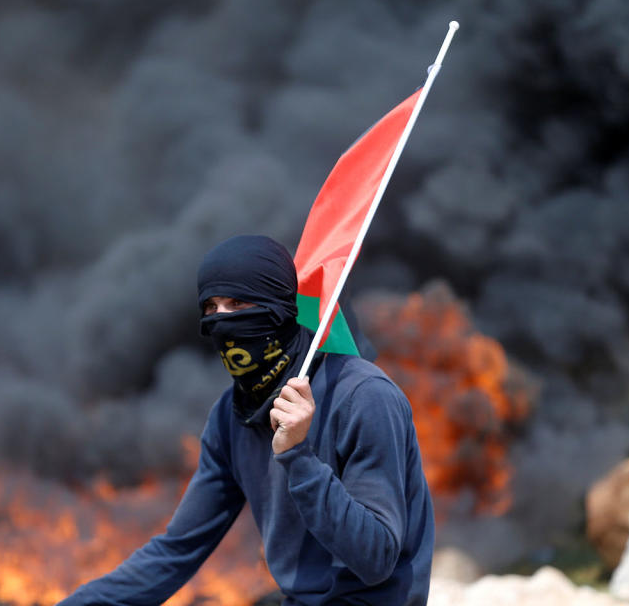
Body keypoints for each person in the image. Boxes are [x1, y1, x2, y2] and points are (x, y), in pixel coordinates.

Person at [57, 235, 435, 605]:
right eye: (211, 307)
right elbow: (177, 551)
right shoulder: (230, 415)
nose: (222, 320)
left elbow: (377, 559)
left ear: (277, 308)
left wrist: (298, 456)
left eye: (238, 303)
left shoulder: (364, 396)